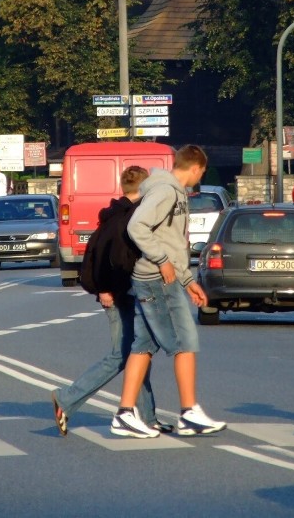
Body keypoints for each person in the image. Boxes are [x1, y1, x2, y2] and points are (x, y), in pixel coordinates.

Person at [111, 145, 227, 438]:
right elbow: (138, 227)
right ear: (196, 168)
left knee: (143, 345)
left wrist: (189, 282)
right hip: (157, 279)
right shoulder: (166, 191)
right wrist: (162, 261)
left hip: (156, 278)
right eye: (201, 172)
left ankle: (125, 413)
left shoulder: (169, 191)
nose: (200, 177)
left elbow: (174, 243)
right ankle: (189, 413)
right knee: (185, 341)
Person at [51, 166, 172, 437]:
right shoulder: (126, 218)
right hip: (120, 295)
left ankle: (148, 418)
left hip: (125, 293)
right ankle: (66, 398)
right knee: (122, 356)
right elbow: (113, 258)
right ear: (144, 189)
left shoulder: (115, 214)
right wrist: (105, 289)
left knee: (137, 355)